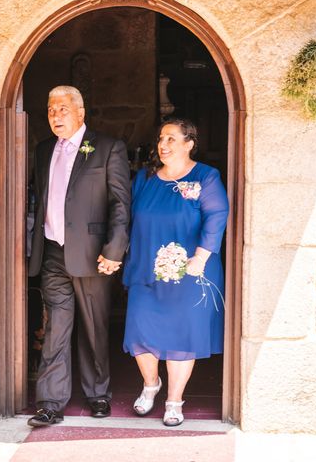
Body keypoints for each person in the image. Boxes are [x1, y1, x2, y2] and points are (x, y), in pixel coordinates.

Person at [27, 85, 131, 427]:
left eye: (63, 109)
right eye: (51, 109)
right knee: (56, 327)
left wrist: (114, 249)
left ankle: (97, 393)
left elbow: (120, 204)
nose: (56, 116)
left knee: (94, 328)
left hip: (92, 255)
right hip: (52, 252)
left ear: (80, 113)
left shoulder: (107, 148)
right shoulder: (43, 150)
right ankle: (50, 402)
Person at [122, 118, 229, 427]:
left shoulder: (205, 178)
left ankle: (174, 400)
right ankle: (151, 384)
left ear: (189, 144)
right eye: (161, 139)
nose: (163, 145)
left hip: (189, 272)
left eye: (171, 139)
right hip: (146, 267)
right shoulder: (144, 178)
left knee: (183, 336)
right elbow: (126, 217)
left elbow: (217, 216)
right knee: (141, 332)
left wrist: (201, 257)